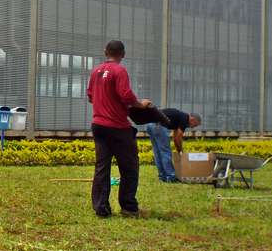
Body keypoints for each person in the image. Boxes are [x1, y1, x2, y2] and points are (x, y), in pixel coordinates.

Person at [86, 40, 152, 218]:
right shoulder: (119, 70)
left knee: (102, 167)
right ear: (123, 54)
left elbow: (91, 97)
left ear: (105, 51)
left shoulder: (95, 71)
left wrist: (105, 101)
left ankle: (101, 208)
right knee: (130, 167)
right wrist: (141, 104)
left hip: (98, 126)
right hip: (118, 127)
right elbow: (126, 95)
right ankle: (129, 208)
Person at [146, 109, 202, 182]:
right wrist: (180, 151)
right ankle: (171, 176)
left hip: (150, 125)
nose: (193, 127)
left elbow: (175, 136)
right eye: (195, 124)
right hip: (159, 126)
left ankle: (162, 176)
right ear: (193, 119)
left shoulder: (180, 117)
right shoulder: (185, 118)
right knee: (166, 152)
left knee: (158, 152)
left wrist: (179, 150)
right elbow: (178, 137)